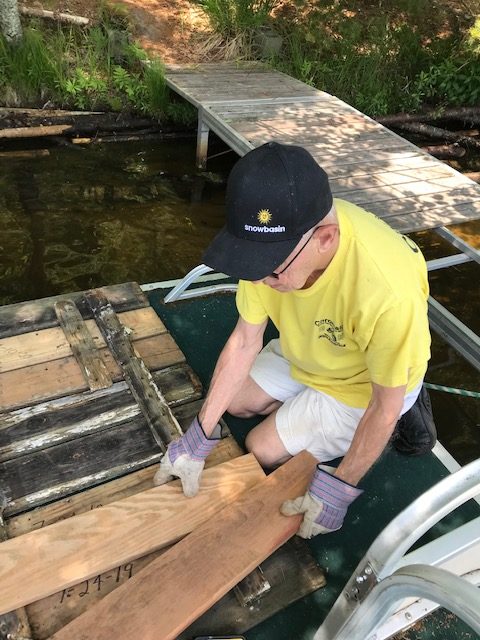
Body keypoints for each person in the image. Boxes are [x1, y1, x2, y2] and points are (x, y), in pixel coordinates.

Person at [154, 141, 436, 538]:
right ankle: (304, 399)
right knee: (232, 402)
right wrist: (199, 434)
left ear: (325, 238)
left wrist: (338, 488)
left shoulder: (388, 293)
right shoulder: (273, 252)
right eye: (250, 262)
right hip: (311, 344)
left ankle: (417, 402)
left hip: (365, 385)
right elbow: (243, 341)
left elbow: (384, 406)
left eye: (270, 270)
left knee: (261, 447)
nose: (258, 279)